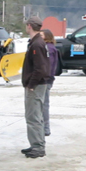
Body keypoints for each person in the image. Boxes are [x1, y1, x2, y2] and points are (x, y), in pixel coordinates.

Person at [21, 16, 50, 158]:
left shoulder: (37, 44)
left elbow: (40, 68)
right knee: (34, 115)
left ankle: (38, 147)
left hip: (36, 85)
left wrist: (31, 84)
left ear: (30, 26)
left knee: (34, 116)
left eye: (27, 25)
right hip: (37, 84)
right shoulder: (37, 42)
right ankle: (35, 144)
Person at [42, 29, 60, 137]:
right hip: (49, 78)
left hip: (46, 79)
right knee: (44, 103)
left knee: (44, 104)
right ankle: (45, 127)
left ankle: (45, 127)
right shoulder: (51, 47)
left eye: (41, 34)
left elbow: (48, 64)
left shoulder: (48, 48)